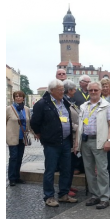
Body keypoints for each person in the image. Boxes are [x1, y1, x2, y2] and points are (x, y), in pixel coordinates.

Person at [30, 79, 75, 207]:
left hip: (65, 141)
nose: (63, 92)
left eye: (63, 89)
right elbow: (34, 122)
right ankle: (49, 196)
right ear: (52, 91)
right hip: (51, 143)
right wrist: (41, 135)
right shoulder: (42, 104)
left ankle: (63, 194)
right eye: (60, 90)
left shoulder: (64, 102)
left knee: (66, 169)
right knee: (50, 170)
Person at [75, 81, 110, 210]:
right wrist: (77, 143)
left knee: (102, 170)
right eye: (91, 90)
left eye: (95, 90)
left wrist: (109, 140)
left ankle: (104, 197)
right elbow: (80, 125)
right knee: (89, 170)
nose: (93, 92)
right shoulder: (83, 106)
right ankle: (95, 195)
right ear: (88, 91)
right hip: (85, 141)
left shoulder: (107, 105)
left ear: (100, 91)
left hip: (100, 141)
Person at [6, 90, 34, 186]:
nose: (18, 98)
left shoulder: (26, 109)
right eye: (16, 96)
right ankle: (11, 178)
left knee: (19, 157)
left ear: (23, 98)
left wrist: (33, 133)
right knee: (13, 157)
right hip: (12, 136)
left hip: (23, 137)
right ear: (14, 98)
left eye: (20, 96)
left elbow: (29, 122)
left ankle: (17, 177)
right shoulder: (9, 109)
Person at [63, 80, 81, 195]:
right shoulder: (64, 102)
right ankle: (65, 188)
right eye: (74, 89)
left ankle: (68, 185)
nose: (75, 91)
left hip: (75, 136)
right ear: (69, 90)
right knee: (67, 165)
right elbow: (64, 120)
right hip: (70, 137)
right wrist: (77, 127)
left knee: (72, 164)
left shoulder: (70, 101)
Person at [72, 74, 91, 175]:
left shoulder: (92, 92)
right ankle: (77, 166)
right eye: (86, 82)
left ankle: (86, 167)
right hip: (78, 121)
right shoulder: (75, 93)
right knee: (78, 145)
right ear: (80, 83)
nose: (88, 83)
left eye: (89, 82)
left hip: (90, 122)